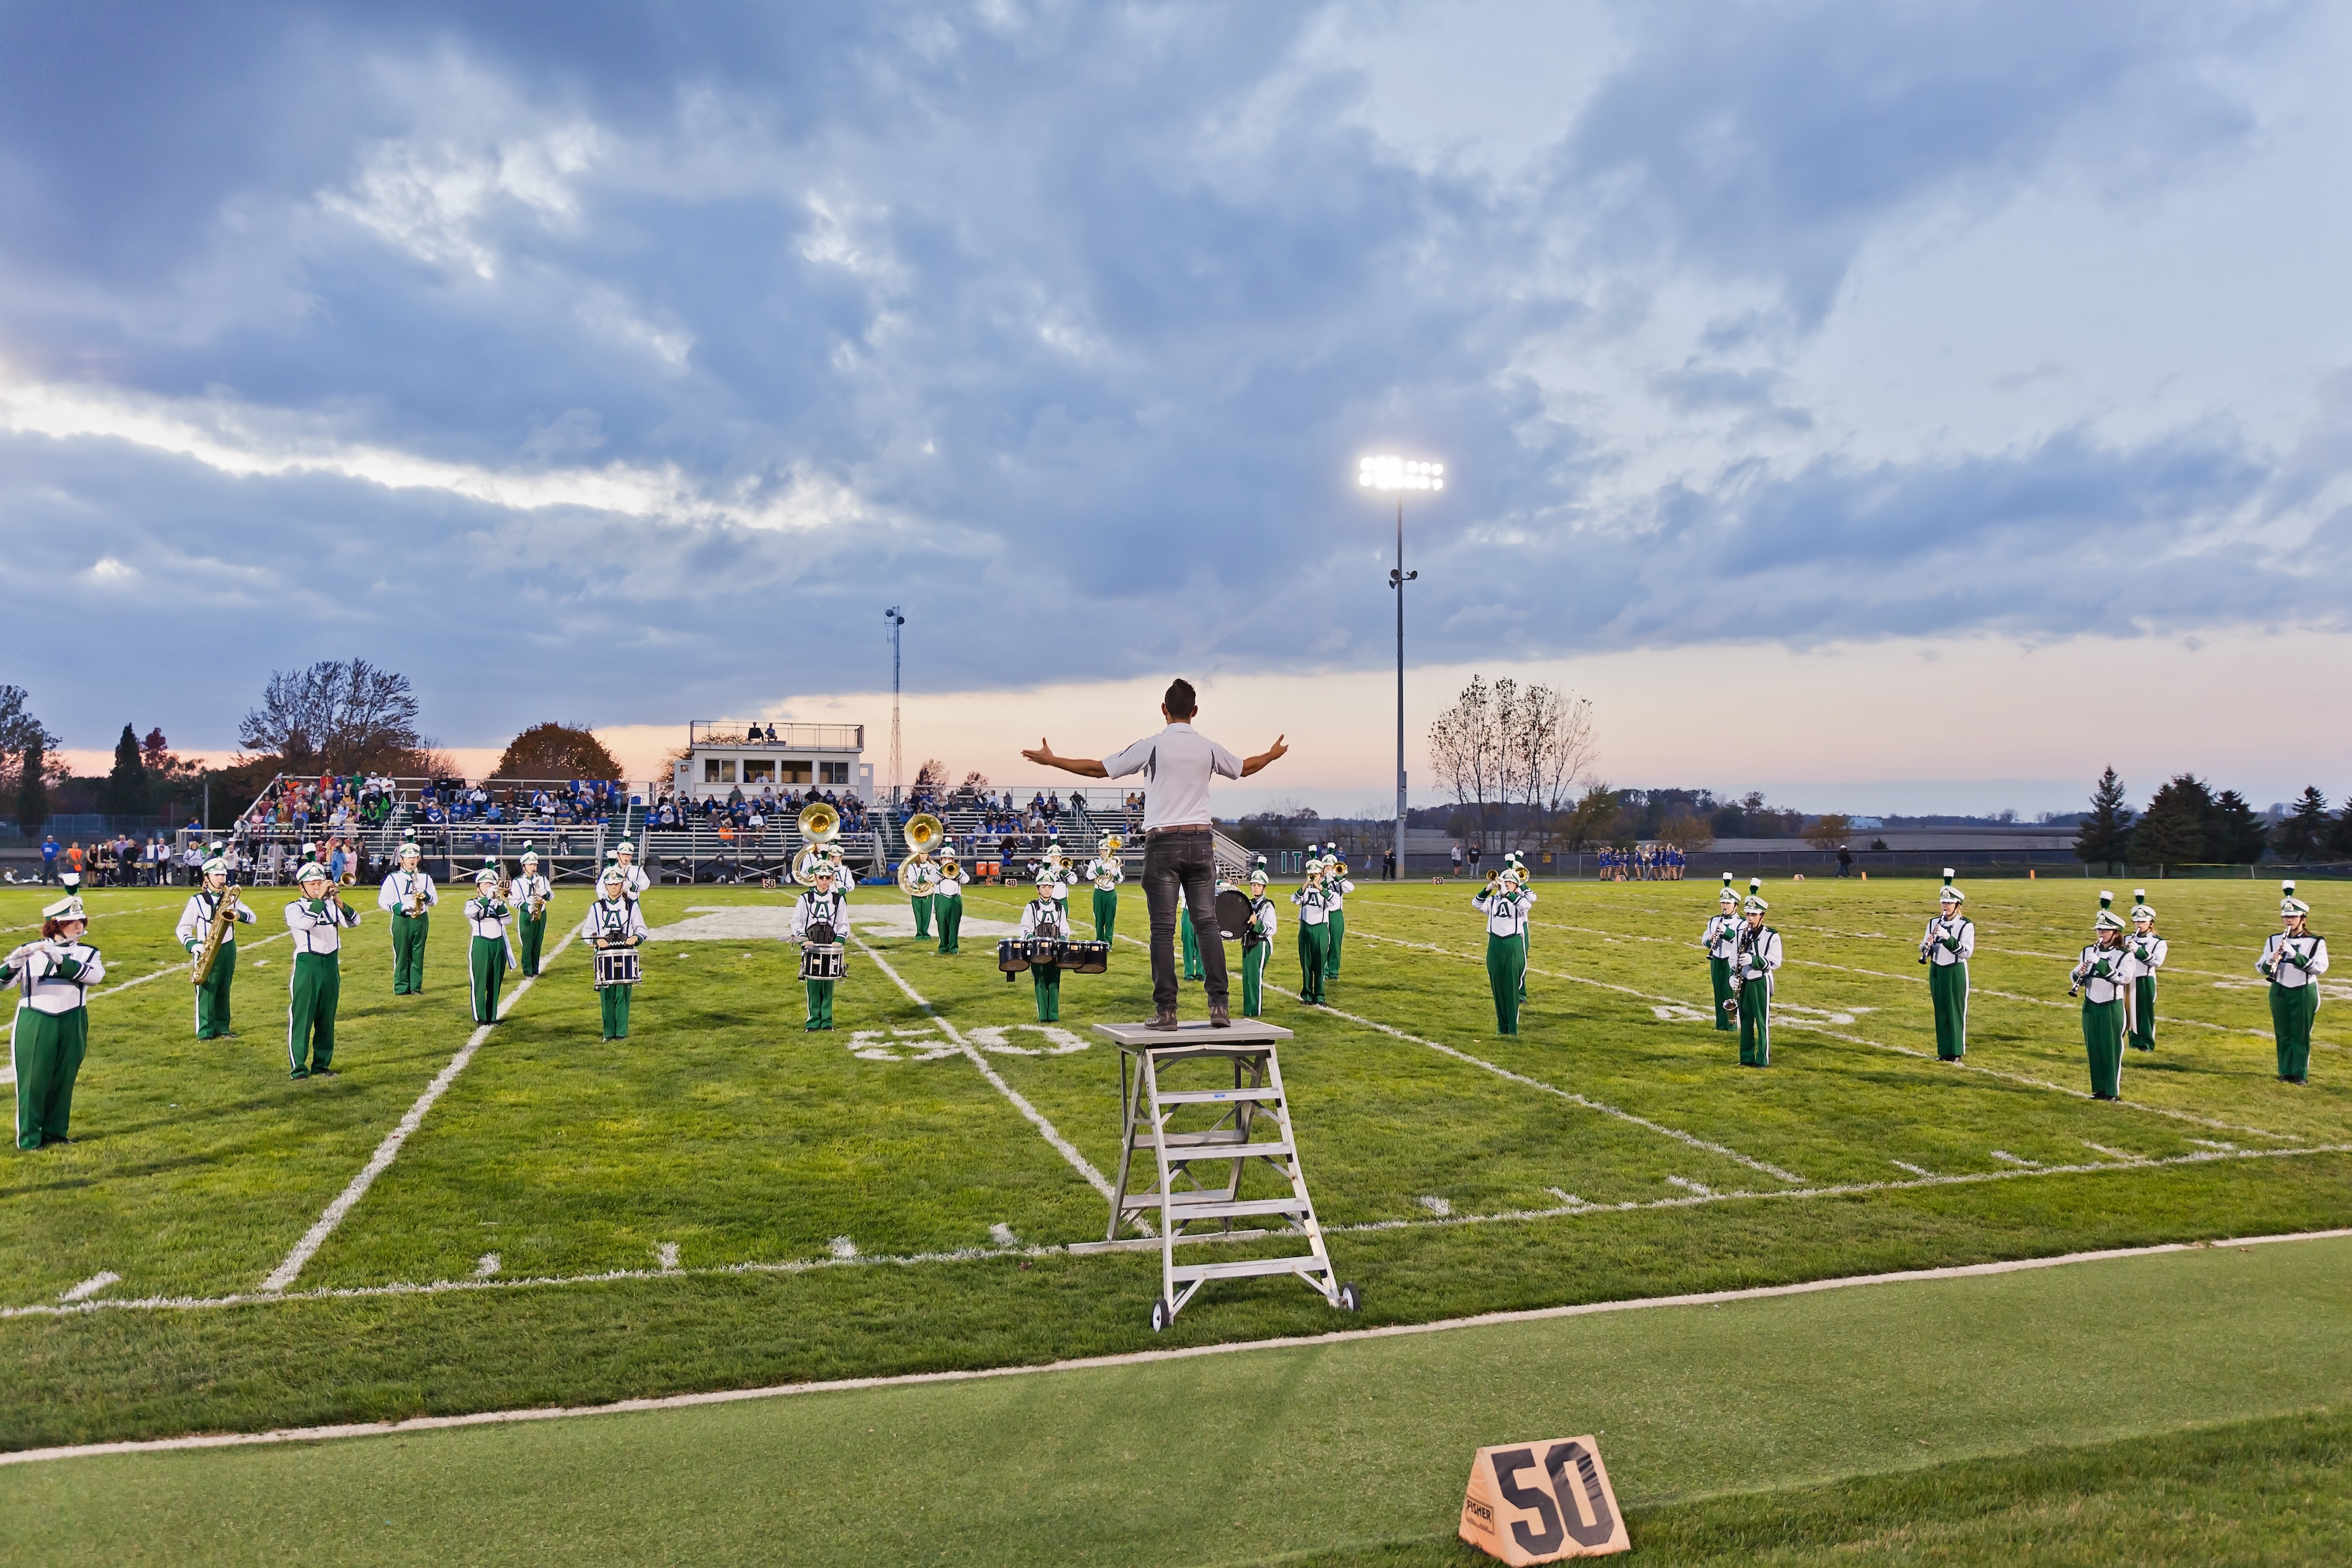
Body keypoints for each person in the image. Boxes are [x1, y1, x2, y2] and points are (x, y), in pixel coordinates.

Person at [1021, 679, 1286, 1029]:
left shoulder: (1152, 746)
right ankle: (1219, 1007)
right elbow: (1244, 767)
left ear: (1163, 710)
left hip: (1162, 844)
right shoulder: (1207, 747)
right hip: (1201, 842)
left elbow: (1099, 769)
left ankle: (1167, 1011)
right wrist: (1271, 754)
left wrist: (1053, 761)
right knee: (1207, 923)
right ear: (1195, 712)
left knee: (1162, 930)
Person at [5, 894, 105, 1148]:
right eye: (72, 922)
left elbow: (95, 977)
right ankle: (29, 1139)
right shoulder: (31, 951)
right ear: (55, 925)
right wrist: (14, 963)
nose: (79, 926)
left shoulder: (88, 952)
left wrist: (60, 959)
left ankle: (56, 1134)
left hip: (74, 1019)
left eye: (81, 920)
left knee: (64, 1079)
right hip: (36, 1019)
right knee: (33, 1082)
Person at [284, 860, 361, 1079]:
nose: (318, 886)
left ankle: (322, 1064)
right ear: (302, 887)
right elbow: (306, 924)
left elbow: (355, 922)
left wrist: (337, 899)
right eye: (312, 883)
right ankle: (298, 1068)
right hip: (308, 965)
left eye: (320, 882)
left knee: (326, 1018)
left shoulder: (330, 904)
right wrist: (320, 899)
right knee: (303, 1018)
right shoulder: (294, 908)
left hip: (331, 964)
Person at [175, 855, 257, 1039]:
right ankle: (205, 1031)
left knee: (223, 988)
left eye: (223, 874)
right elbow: (183, 928)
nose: (221, 879)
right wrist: (193, 944)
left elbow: (253, 918)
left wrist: (238, 913)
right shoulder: (197, 900)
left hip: (228, 947)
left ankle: (223, 1028)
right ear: (207, 877)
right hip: (206, 948)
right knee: (207, 990)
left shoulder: (231, 899)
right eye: (217, 875)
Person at [2259, 881, 2329, 1085]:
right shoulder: (2273, 939)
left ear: (2303, 919)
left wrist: (2295, 956)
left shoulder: (2316, 942)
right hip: (2279, 989)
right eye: (2285, 917)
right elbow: (2260, 965)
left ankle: (2299, 1074)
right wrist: (2271, 961)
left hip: (2303, 990)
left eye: (2293, 916)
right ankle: (2285, 1071)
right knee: (2282, 1032)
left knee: (2300, 1034)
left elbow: (2320, 968)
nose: (2288, 920)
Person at [2068, 893, 2132, 1101]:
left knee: (2110, 1048)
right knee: (2094, 1047)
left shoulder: (2124, 955)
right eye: (2099, 929)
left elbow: (2124, 978)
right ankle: (2099, 1090)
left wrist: (2102, 965)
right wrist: (2078, 972)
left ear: (2116, 933)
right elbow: (2081, 978)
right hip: (2090, 1005)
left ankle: (2112, 1091)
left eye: (2105, 930)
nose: (2100, 933)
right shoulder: (2087, 950)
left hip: (2112, 1005)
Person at [585, 866, 649, 1041]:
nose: (614, 887)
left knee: (623, 993)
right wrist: (596, 940)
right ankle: (608, 1032)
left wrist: (635, 937)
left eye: (617, 883)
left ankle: (621, 1032)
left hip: (625, 954)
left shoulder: (631, 905)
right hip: (605, 955)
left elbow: (642, 929)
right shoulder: (597, 907)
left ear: (622, 885)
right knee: (606, 993)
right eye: (610, 884)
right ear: (605, 886)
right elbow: (587, 932)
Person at [1473, 864, 1536, 1035]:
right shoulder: (1493, 901)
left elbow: (1527, 905)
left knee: (1511, 987)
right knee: (1497, 987)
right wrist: (1488, 888)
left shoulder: (1520, 900)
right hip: (1495, 945)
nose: (1506, 884)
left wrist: (1508, 893)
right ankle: (1502, 1029)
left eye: (1510, 882)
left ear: (1516, 885)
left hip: (1513, 944)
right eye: (1505, 882)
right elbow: (1476, 903)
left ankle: (1512, 1029)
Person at [1919, 870, 1974, 1062]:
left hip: (1955, 970)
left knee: (1955, 1012)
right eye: (1943, 902)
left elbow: (1966, 952)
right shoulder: (1933, 921)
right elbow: (1926, 944)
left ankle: (1956, 1052)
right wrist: (1926, 945)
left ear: (1957, 905)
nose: (1945, 906)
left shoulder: (1965, 925)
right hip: (1936, 968)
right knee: (1941, 1011)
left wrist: (1947, 938)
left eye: (1949, 903)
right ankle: (1944, 1051)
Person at [1726, 890, 1782, 1068]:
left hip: (1760, 982)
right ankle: (1746, 1057)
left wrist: (1754, 960)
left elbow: (1775, 961)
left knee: (1761, 1020)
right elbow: (1733, 959)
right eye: (1748, 914)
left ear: (1762, 917)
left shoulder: (1771, 936)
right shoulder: (1741, 933)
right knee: (1746, 1019)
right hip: (1744, 982)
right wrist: (1732, 976)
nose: (1750, 919)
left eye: (1754, 915)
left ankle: (1762, 1059)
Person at [791, 861, 849, 1031]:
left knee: (828, 984)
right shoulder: (805, 898)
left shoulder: (838, 899)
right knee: (813, 984)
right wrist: (803, 939)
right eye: (821, 877)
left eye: (827, 877)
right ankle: (813, 1022)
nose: (824, 880)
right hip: (812, 944)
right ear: (815, 878)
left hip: (830, 944)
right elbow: (796, 922)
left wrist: (839, 940)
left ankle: (827, 1022)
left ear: (832, 878)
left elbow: (844, 923)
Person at [377, 838, 438, 995]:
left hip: (421, 918)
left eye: (415, 857)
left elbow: (434, 900)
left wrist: (425, 897)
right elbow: (383, 900)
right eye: (409, 857)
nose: (412, 860)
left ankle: (416, 987)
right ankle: (401, 987)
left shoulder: (425, 877)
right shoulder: (393, 878)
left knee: (418, 954)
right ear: (401, 859)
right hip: (402, 919)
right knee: (402, 953)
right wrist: (401, 907)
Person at [463, 868, 517, 1026]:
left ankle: (492, 1016)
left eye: (492, 884)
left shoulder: (498, 902)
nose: (489, 886)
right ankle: (480, 1016)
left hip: (498, 943)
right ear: (478, 886)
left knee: (495, 981)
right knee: (480, 982)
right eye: (486, 883)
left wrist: (499, 903)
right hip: (481, 943)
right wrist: (486, 899)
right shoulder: (473, 902)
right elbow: (470, 913)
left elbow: (507, 921)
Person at [1017, 869, 1071, 1022]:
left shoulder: (1059, 907)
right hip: (1037, 951)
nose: (1047, 889)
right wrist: (1031, 938)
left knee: (1055, 980)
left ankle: (1054, 1016)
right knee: (1040, 980)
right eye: (1044, 886)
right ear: (1038, 889)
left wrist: (1062, 937)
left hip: (1055, 950)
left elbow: (1065, 928)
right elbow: (1024, 928)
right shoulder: (1031, 907)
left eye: (1050, 886)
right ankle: (1043, 1016)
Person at [2123, 890, 2167, 1054]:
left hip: (2145, 979)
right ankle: (2133, 1041)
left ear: (2151, 923)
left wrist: (2139, 951)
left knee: (2145, 1012)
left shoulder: (2158, 942)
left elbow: (2157, 961)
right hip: (2128, 979)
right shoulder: (2127, 938)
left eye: (2143, 921)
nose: (2139, 924)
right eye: (2136, 921)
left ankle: (2146, 1044)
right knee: (2129, 1011)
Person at [1702, 873, 1741, 1034]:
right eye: (1722, 903)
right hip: (1716, 959)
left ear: (1735, 906)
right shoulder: (1713, 920)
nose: (1724, 906)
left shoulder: (1741, 922)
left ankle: (1732, 1024)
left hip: (1731, 961)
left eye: (1728, 903)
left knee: (1730, 991)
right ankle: (1721, 1024)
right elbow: (1704, 939)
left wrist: (1726, 932)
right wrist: (1710, 940)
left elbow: (1739, 940)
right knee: (1718, 991)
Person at [1239, 860, 1278, 1018]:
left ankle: (1255, 1011)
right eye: (1253, 884)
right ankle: (1247, 1010)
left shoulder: (1267, 906)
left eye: (1258, 885)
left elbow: (1272, 929)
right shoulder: (1249, 903)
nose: (1255, 887)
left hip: (1260, 944)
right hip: (1248, 943)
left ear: (1264, 888)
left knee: (1255, 978)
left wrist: (1257, 924)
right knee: (1247, 978)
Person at [1290, 864, 1331, 1006]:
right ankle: (1307, 995)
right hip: (1305, 928)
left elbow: (1334, 902)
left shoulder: (1327, 889)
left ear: (1322, 875)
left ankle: (1320, 996)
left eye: (1317, 874)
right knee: (1306, 964)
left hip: (1320, 929)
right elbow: (1294, 900)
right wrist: (1307, 884)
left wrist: (1320, 889)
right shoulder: (1304, 891)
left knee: (1319, 964)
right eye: (1311, 874)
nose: (1314, 877)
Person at [510, 845, 553, 977]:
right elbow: (513, 900)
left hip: (541, 912)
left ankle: (535, 968)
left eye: (535, 864)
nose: (533, 867)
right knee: (527, 943)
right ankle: (527, 970)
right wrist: (526, 907)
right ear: (524, 866)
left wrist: (545, 893)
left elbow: (551, 896)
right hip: (526, 914)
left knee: (537, 942)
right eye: (530, 864)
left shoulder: (542, 879)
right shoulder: (517, 882)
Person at [1320, 846, 1355, 988]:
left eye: (1330, 866)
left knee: (1335, 944)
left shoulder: (1339, 881)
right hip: (1322, 915)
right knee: (1324, 944)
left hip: (1336, 914)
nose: (1328, 869)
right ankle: (1324, 970)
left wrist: (1337, 878)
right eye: (1326, 866)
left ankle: (1333, 972)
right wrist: (1325, 881)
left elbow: (1350, 888)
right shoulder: (1320, 880)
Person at [1083, 833, 1124, 943]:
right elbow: (1089, 876)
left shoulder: (1115, 861)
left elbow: (1120, 880)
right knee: (1099, 919)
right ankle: (1099, 941)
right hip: (1099, 892)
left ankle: (1108, 942)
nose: (1105, 852)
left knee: (1110, 920)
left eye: (1107, 850)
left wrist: (1116, 873)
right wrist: (1101, 869)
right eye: (1103, 850)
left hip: (1111, 893)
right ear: (1099, 850)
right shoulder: (1095, 862)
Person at [934, 849, 968, 955]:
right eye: (945, 858)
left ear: (953, 859)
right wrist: (942, 871)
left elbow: (966, 880)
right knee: (942, 924)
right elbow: (934, 880)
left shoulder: (959, 869)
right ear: (941, 860)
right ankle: (943, 947)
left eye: (949, 858)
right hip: (941, 899)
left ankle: (954, 947)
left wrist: (956, 873)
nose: (947, 860)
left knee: (954, 924)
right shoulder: (936, 869)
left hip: (955, 899)